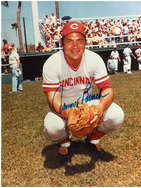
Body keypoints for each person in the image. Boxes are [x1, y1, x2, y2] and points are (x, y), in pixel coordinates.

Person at [42, 21, 124, 166]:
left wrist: (99, 108)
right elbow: (53, 100)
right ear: (62, 44)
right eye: (69, 41)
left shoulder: (94, 59)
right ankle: (65, 142)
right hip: (63, 106)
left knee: (117, 116)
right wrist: (72, 116)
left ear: (85, 43)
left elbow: (107, 89)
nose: (75, 46)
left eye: (80, 41)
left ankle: (93, 138)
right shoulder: (52, 63)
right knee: (52, 129)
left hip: (88, 103)